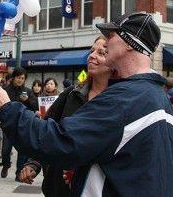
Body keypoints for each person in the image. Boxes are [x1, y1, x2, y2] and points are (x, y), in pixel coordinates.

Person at [0, 12, 173, 196]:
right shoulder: (158, 99)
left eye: (111, 37)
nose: (105, 44)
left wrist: (6, 109)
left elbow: (61, 142)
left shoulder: (124, 99)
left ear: (129, 43)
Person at [20, 36, 112, 196]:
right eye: (91, 51)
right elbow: (46, 129)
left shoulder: (120, 101)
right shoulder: (71, 94)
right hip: (58, 188)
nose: (92, 55)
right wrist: (33, 162)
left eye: (102, 53)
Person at [0, 67, 37, 180]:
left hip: (22, 126)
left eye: (22, 78)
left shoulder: (27, 91)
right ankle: (6, 165)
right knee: (6, 150)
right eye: (18, 77)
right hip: (8, 125)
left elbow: (35, 106)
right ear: (13, 78)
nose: (20, 80)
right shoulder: (5, 90)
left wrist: (27, 101)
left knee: (22, 151)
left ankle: (18, 173)